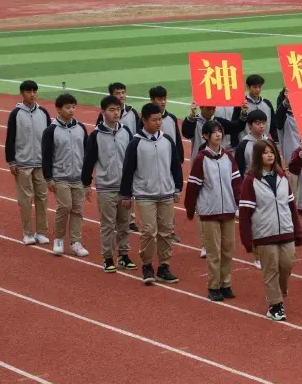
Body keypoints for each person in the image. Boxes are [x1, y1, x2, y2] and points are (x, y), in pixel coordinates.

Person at [120, 103, 184, 285]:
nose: (158, 123)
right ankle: (147, 265)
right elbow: (128, 170)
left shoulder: (167, 141)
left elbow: (175, 166)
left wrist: (177, 188)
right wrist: (126, 195)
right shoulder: (135, 143)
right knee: (148, 231)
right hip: (145, 194)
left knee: (166, 232)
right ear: (145, 120)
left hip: (166, 193)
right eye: (154, 120)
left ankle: (164, 266)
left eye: (160, 119)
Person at [239, 139, 301, 320]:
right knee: (271, 269)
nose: (269, 155)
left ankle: (280, 291)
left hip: (286, 230)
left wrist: (298, 232)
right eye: (265, 152)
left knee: (287, 265)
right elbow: (245, 213)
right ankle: (275, 305)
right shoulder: (251, 180)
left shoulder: (283, 177)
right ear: (258, 156)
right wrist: (248, 240)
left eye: (272, 152)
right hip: (264, 233)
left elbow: (292, 206)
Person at [183, 120, 242, 301]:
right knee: (214, 252)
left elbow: (237, 183)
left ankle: (226, 284)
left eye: (220, 131)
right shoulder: (201, 159)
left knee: (228, 250)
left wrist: (239, 203)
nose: (218, 134)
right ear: (206, 136)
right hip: (209, 212)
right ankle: (214, 286)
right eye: (214, 132)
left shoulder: (228, 157)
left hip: (228, 210)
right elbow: (193, 186)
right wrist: (190, 208)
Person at [82, 94, 135, 272]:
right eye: (112, 110)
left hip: (125, 188)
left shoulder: (126, 132)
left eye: (118, 109)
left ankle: (123, 255)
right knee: (108, 225)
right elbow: (88, 161)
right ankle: (107, 257)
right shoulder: (96, 135)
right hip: (106, 188)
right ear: (103, 111)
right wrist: (86, 184)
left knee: (124, 224)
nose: (116, 113)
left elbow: (132, 160)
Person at [41, 93, 89, 257]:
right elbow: (46, 156)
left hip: (79, 178)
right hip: (60, 177)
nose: (71, 110)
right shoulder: (51, 130)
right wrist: (48, 178)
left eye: (73, 107)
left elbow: (87, 153)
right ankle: (59, 239)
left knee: (77, 210)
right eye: (68, 107)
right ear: (58, 109)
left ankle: (75, 242)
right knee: (65, 207)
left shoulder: (81, 128)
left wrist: (87, 179)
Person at [6, 80, 52, 245]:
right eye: (28, 92)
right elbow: (10, 138)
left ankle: (41, 232)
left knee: (42, 198)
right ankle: (27, 233)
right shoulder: (16, 114)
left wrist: (50, 161)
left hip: (40, 164)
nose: (32, 95)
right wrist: (12, 161)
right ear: (22, 93)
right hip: (23, 163)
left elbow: (49, 139)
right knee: (25, 199)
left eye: (34, 91)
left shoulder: (43, 113)